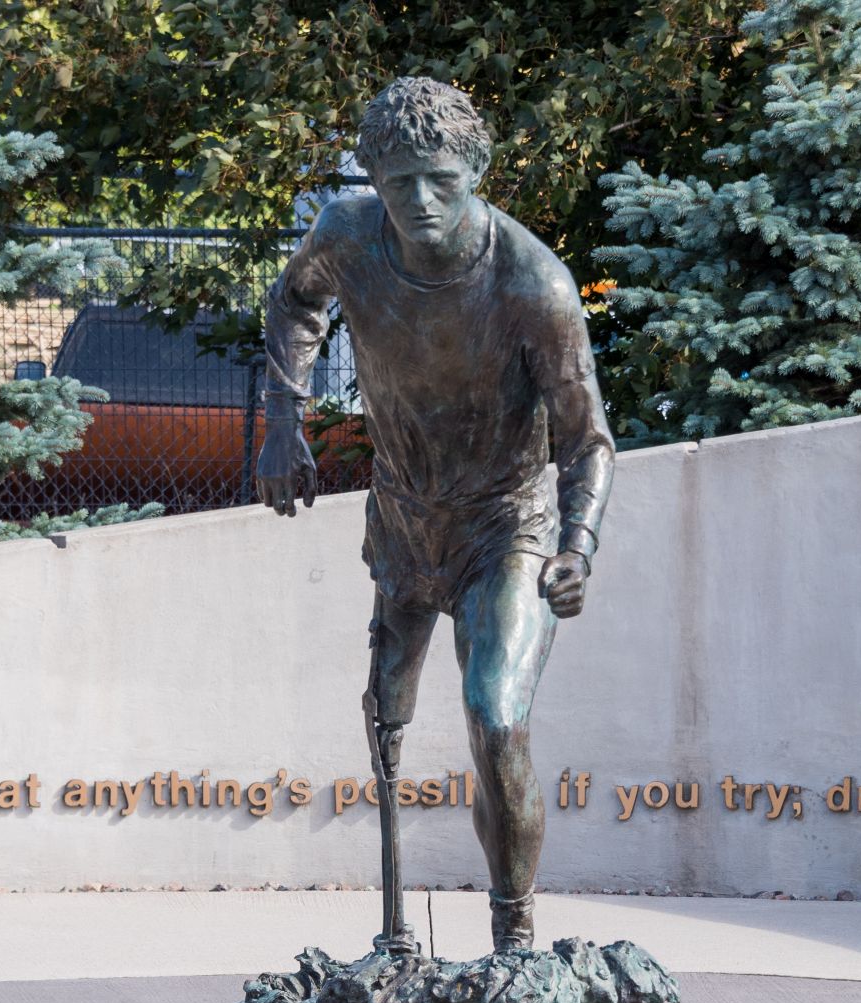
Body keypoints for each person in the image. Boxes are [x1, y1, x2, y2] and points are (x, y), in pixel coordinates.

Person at [256, 76, 614, 954]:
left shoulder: (535, 285)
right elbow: (295, 300)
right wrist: (281, 422)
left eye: (442, 180)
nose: (419, 200)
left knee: (495, 714)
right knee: (384, 713)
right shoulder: (345, 231)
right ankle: (392, 937)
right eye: (400, 179)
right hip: (406, 516)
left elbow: (587, 438)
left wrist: (578, 546)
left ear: (478, 171)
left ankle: (514, 938)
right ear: (374, 173)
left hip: (510, 524)